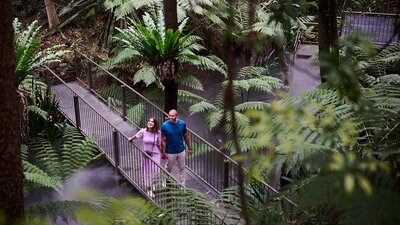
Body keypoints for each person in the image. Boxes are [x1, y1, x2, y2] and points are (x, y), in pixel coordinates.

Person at [129, 117, 161, 198]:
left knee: (156, 171)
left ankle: (153, 184)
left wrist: (163, 153)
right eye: (149, 121)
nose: (150, 123)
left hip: (156, 154)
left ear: (155, 124)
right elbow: (136, 136)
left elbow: (159, 144)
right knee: (148, 172)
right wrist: (130, 139)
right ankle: (149, 189)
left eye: (152, 122)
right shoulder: (143, 131)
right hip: (147, 154)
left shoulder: (158, 133)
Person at [161, 109, 192, 187]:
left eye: (172, 116)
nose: (170, 117)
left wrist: (189, 147)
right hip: (171, 151)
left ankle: (182, 184)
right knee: (169, 168)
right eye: (169, 115)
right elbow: (163, 140)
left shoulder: (182, 124)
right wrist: (163, 152)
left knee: (182, 168)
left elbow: (186, 136)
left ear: (176, 116)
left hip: (181, 150)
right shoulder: (165, 125)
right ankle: (166, 180)